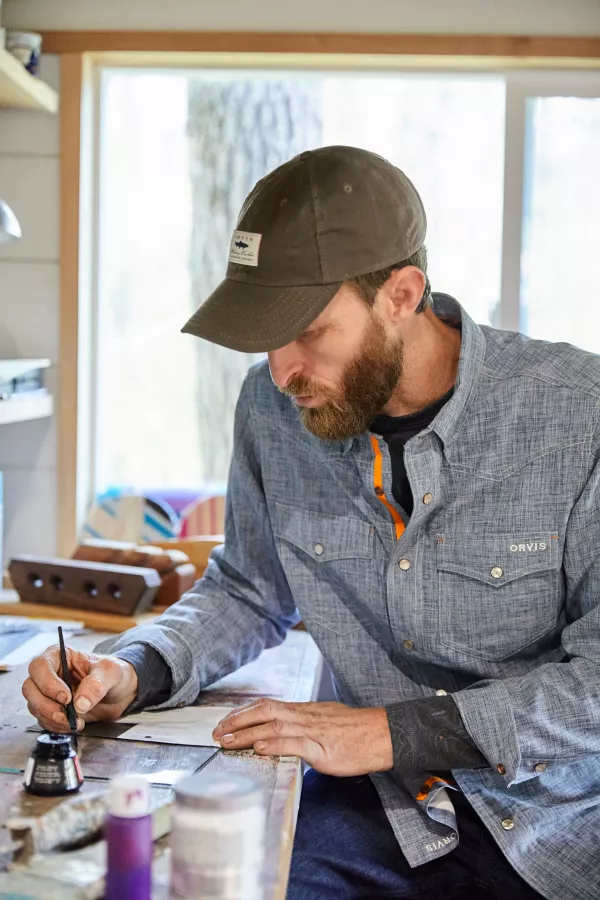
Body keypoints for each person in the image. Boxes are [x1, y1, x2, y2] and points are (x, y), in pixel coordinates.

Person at [22, 146, 600, 900]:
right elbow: (248, 588)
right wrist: (135, 668)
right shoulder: (272, 406)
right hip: (379, 812)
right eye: (266, 334)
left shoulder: (577, 415)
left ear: (402, 293)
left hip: (555, 829)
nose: (283, 369)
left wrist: (395, 730)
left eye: (309, 331)